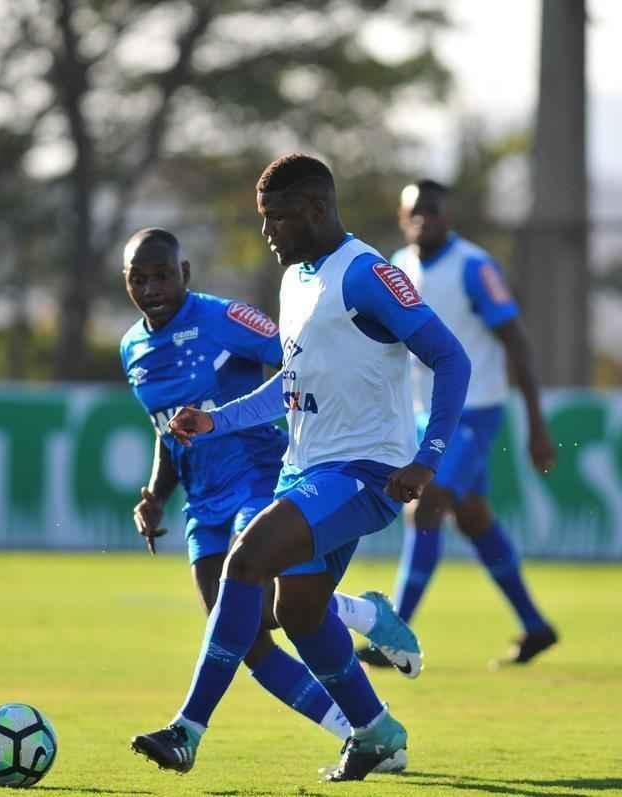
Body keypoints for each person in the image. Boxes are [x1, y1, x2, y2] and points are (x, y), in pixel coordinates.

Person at [129, 156, 471, 781]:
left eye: (278, 219)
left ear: (315, 210)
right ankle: (376, 732)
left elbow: (452, 359)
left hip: (368, 471)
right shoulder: (295, 279)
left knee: (246, 561)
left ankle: (187, 730)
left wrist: (428, 460)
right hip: (304, 466)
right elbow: (291, 385)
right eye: (265, 220)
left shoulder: (367, 274)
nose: (269, 233)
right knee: (300, 616)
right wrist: (215, 421)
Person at [357, 179, 560, 669]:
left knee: (426, 504)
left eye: (433, 210)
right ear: (402, 220)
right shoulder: (394, 268)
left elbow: (517, 341)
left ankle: (395, 631)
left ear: (449, 217)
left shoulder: (474, 266)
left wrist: (535, 423)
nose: (423, 219)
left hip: (474, 411)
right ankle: (535, 627)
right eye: (414, 212)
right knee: (472, 519)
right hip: (421, 413)